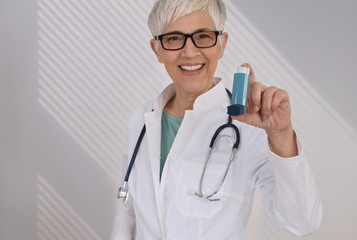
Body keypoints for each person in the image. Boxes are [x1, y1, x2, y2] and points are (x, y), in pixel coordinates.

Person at [111, 0, 322, 239]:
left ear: (222, 45)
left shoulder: (250, 128)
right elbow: (127, 206)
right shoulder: (140, 119)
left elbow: (302, 223)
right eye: (173, 38)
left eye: (202, 36)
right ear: (157, 49)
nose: (189, 52)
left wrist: (281, 135)